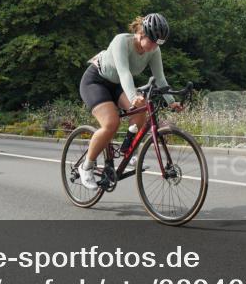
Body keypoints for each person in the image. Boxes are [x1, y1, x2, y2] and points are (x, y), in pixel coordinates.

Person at [77, 14, 182, 189]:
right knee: (111, 123)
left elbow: (160, 79)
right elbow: (124, 72)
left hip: (117, 84)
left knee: (142, 111)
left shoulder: (154, 50)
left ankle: (129, 150)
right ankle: (86, 166)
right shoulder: (121, 41)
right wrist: (133, 97)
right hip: (96, 81)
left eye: (159, 43)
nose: (155, 46)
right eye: (153, 41)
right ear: (142, 34)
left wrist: (171, 101)